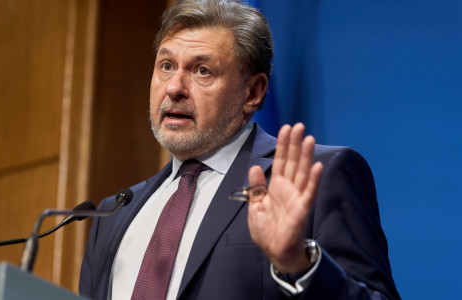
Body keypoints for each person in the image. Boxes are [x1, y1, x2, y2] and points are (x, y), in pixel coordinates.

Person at [79, 0, 400, 299]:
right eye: (166, 65)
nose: (174, 87)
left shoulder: (319, 176)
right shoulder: (113, 215)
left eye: (202, 70)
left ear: (253, 93)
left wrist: (297, 263)